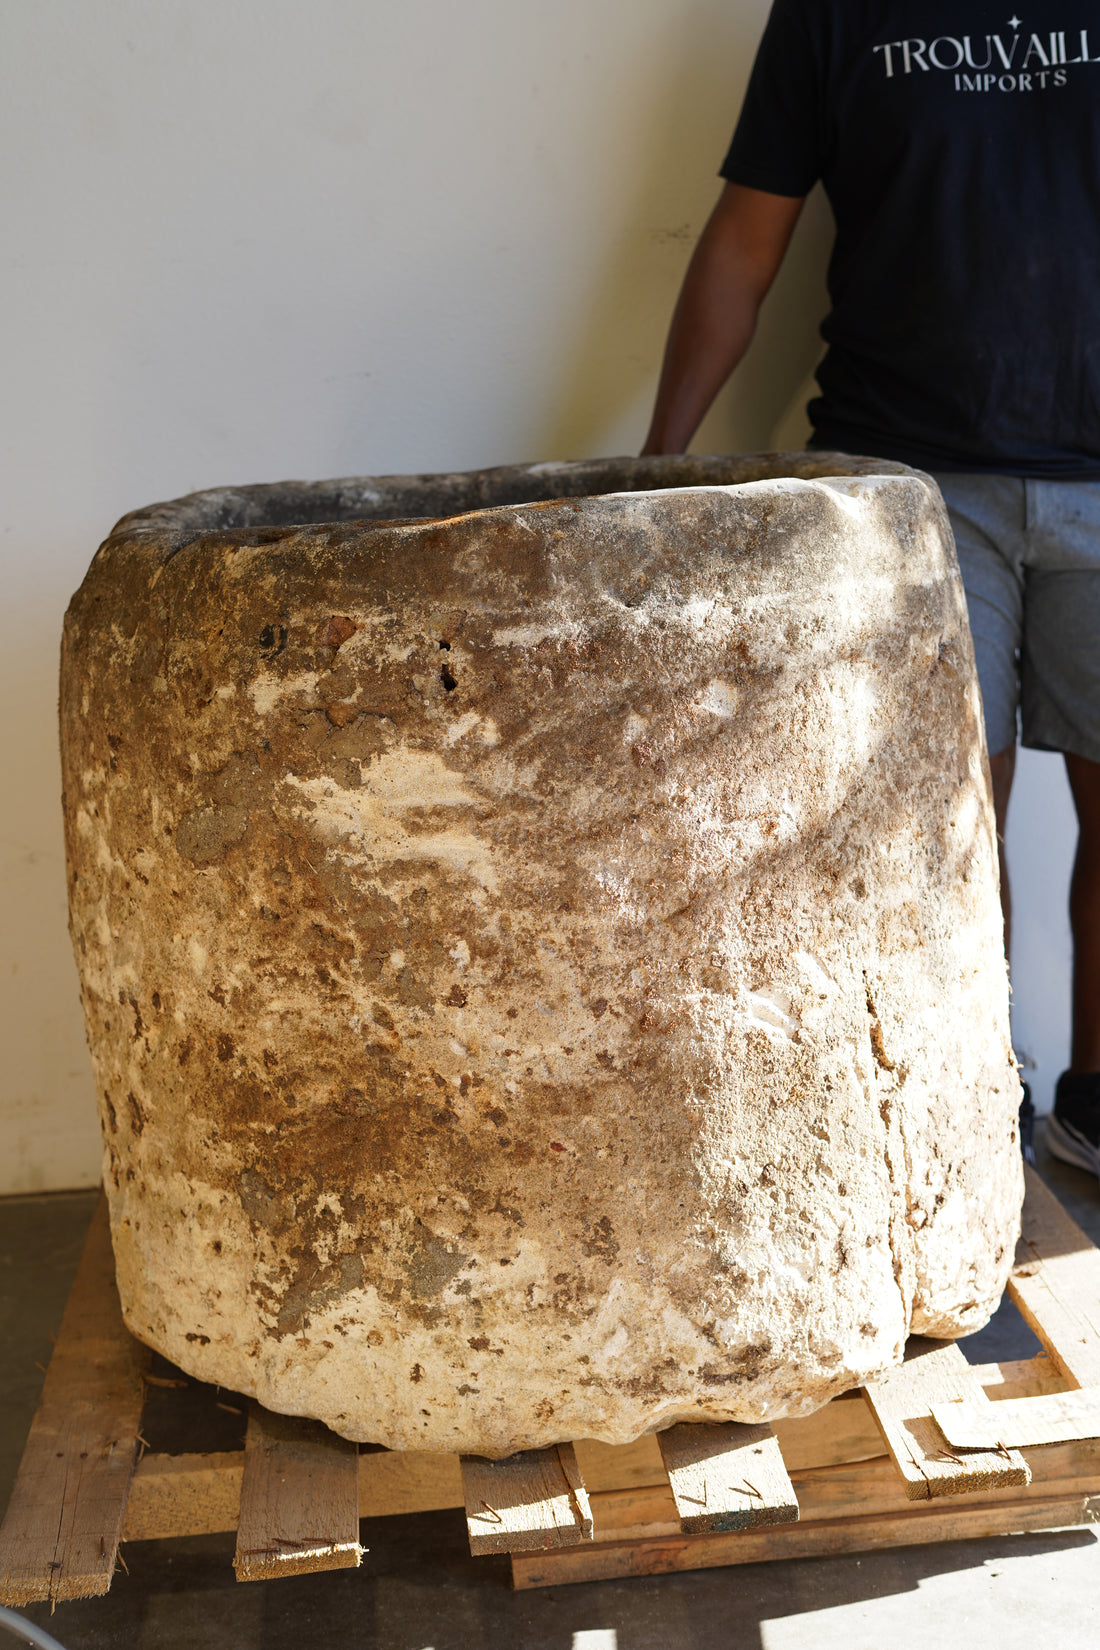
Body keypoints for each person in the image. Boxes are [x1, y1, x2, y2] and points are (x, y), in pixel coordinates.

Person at [641, 2, 1100, 1181]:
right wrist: (654, 466)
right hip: (907, 482)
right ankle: (972, 1094)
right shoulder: (833, 12)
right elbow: (747, 240)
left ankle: (1094, 1103)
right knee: (937, 817)